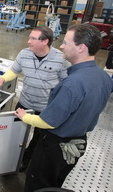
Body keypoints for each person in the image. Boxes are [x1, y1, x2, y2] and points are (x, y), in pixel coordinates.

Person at [14, 24, 113, 192]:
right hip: (78, 143)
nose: (61, 46)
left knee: (38, 184)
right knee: (55, 183)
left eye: (66, 43)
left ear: (81, 47)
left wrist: (25, 117)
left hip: (55, 147)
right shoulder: (103, 76)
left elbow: (48, 122)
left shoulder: (72, 84)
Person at [0, 26, 69, 171]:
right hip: (25, 102)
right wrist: (2, 79)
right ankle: (12, 154)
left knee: (38, 138)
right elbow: (14, 70)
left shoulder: (60, 58)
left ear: (45, 41)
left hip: (45, 107)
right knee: (16, 130)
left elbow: (66, 83)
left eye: (33, 39)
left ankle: (26, 159)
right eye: (29, 38)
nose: (28, 42)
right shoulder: (24, 54)